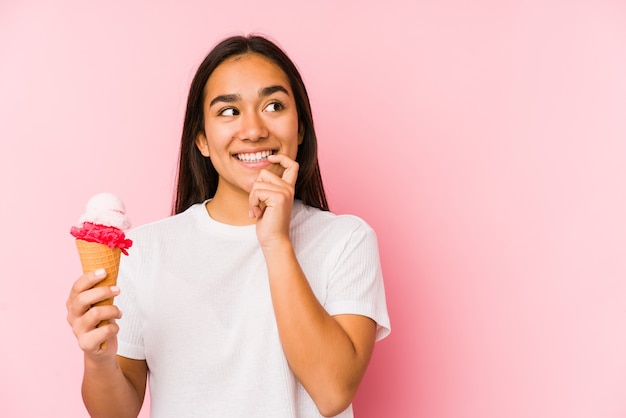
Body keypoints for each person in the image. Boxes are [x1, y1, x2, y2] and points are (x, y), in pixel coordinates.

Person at [66, 34, 390, 418]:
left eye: (273, 105)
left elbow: (333, 392)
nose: (253, 130)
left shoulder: (346, 240)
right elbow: (116, 413)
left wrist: (276, 243)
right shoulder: (145, 250)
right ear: (201, 138)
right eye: (228, 111)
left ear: (300, 129)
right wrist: (98, 359)